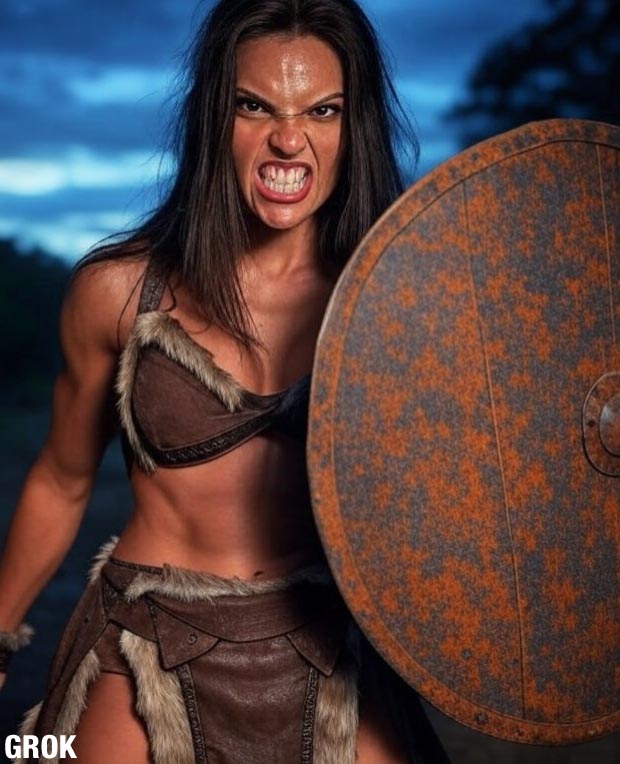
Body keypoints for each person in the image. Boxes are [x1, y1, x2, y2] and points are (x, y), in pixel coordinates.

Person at [0, 0, 447, 761]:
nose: (289, 138)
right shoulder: (118, 291)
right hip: (146, 643)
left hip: (327, 646)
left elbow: (467, 495)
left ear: (352, 126)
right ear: (216, 117)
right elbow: (62, 479)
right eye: (255, 106)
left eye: (323, 110)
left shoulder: (393, 305)